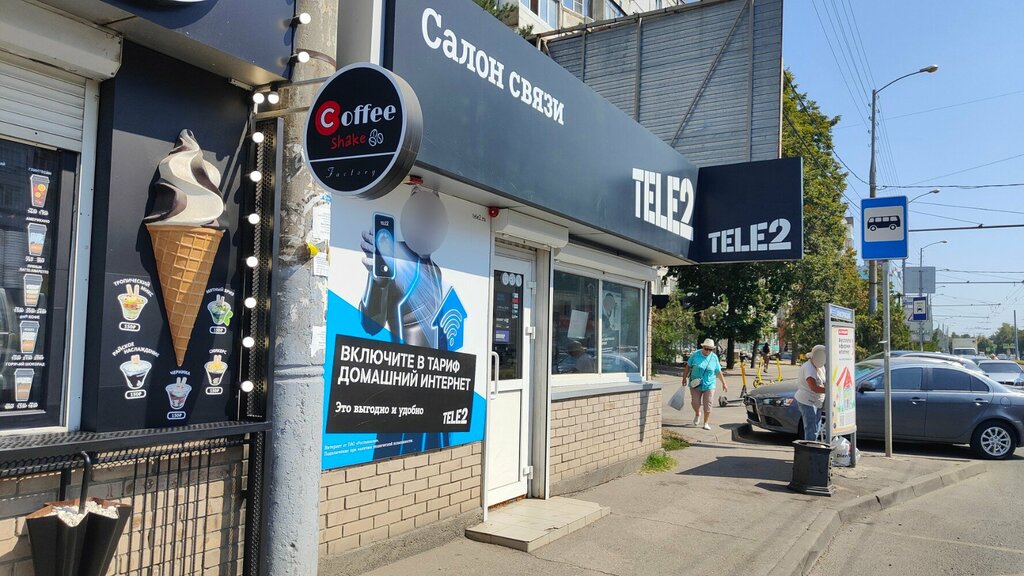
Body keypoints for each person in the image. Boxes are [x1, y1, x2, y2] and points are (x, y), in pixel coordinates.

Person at [682, 338, 728, 430]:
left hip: (709, 384)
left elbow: (718, 371)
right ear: (703, 347)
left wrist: (724, 383)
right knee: (695, 402)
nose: (708, 351)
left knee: (708, 404)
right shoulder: (695, 355)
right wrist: (684, 378)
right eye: (706, 348)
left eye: (710, 349)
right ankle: (697, 413)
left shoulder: (714, 357)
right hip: (695, 383)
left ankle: (706, 423)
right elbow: (688, 366)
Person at [796, 344, 827, 442]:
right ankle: (810, 448)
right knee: (811, 428)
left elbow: (823, 382)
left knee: (816, 427)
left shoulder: (820, 367)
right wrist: (829, 390)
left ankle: (813, 445)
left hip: (817, 401)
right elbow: (814, 387)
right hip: (807, 401)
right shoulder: (808, 368)